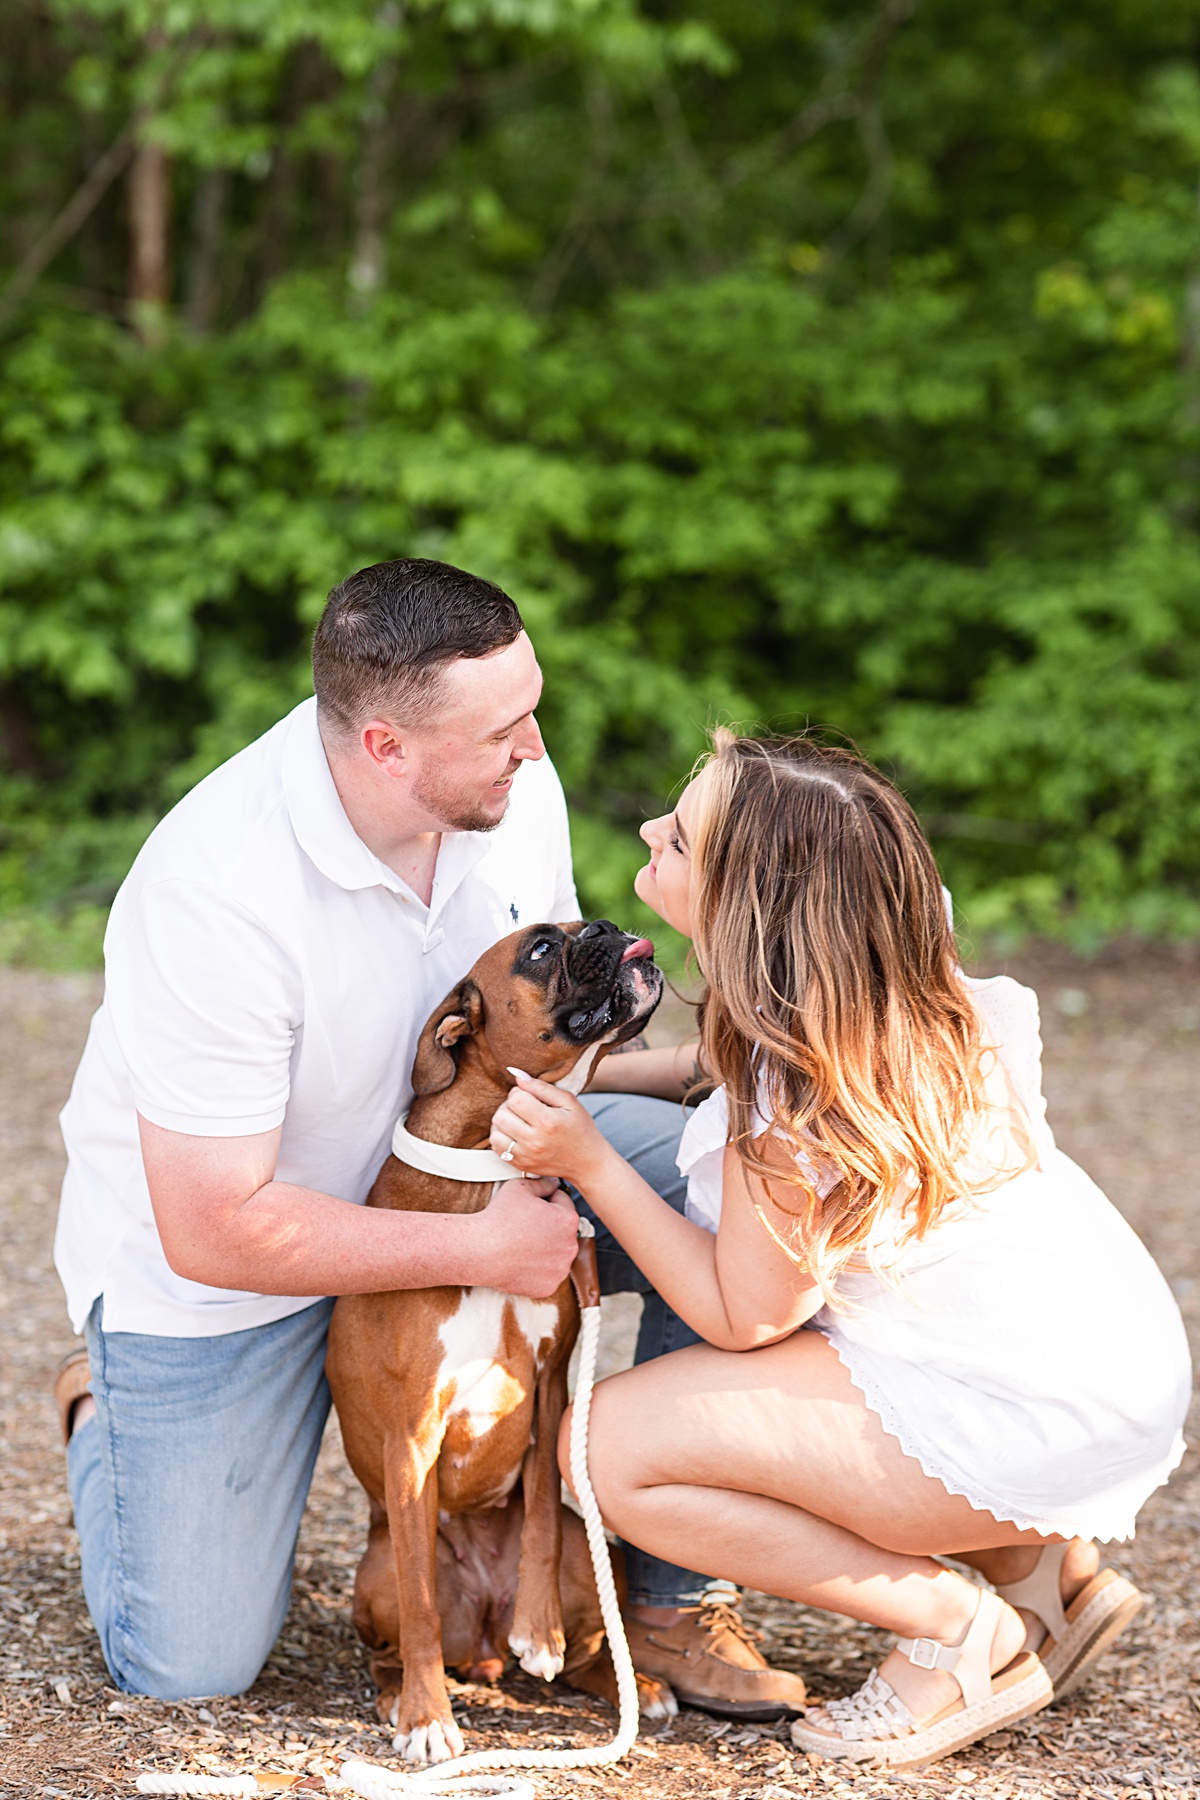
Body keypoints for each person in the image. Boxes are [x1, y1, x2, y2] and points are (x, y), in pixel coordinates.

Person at [51, 558, 804, 1717]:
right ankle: (104, 1412)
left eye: (531, 708)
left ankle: (662, 1595)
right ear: (386, 749)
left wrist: (696, 1075)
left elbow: (535, 1045)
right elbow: (216, 1227)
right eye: (506, 728)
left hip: (481, 1163)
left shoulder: (506, 789)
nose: (539, 749)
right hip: (243, 1264)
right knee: (188, 1666)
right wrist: (477, 1253)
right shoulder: (213, 891)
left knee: (733, 1191)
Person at [488, 730, 1193, 1770]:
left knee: (606, 1450)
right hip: (1104, 1353)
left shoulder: (793, 1101)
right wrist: (599, 1080)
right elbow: (718, 1064)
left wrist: (589, 1162)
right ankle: (1045, 1576)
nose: (647, 832)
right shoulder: (875, 966)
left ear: (743, 909)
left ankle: (956, 1630)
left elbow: (743, 1316)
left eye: (677, 841)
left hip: (1027, 1405)